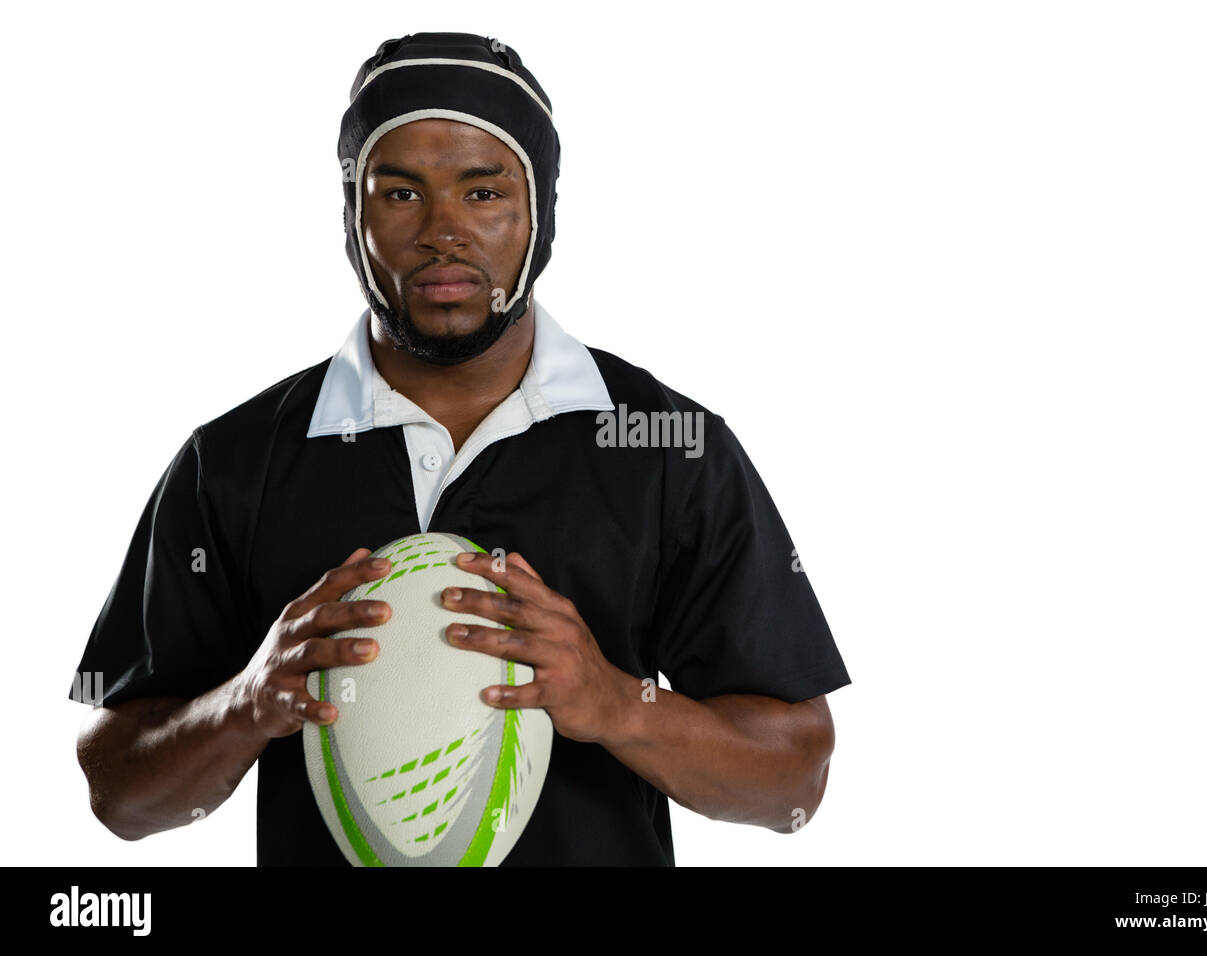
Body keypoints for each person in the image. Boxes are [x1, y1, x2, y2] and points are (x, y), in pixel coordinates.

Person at [69, 32, 851, 866]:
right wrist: (247, 703)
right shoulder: (232, 461)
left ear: (539, 207)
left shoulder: (668, 448)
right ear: (352, 213)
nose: (444, 232)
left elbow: (795, 781)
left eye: (484, 192)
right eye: (401, 193)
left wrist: (618, 703)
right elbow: (116, 791)